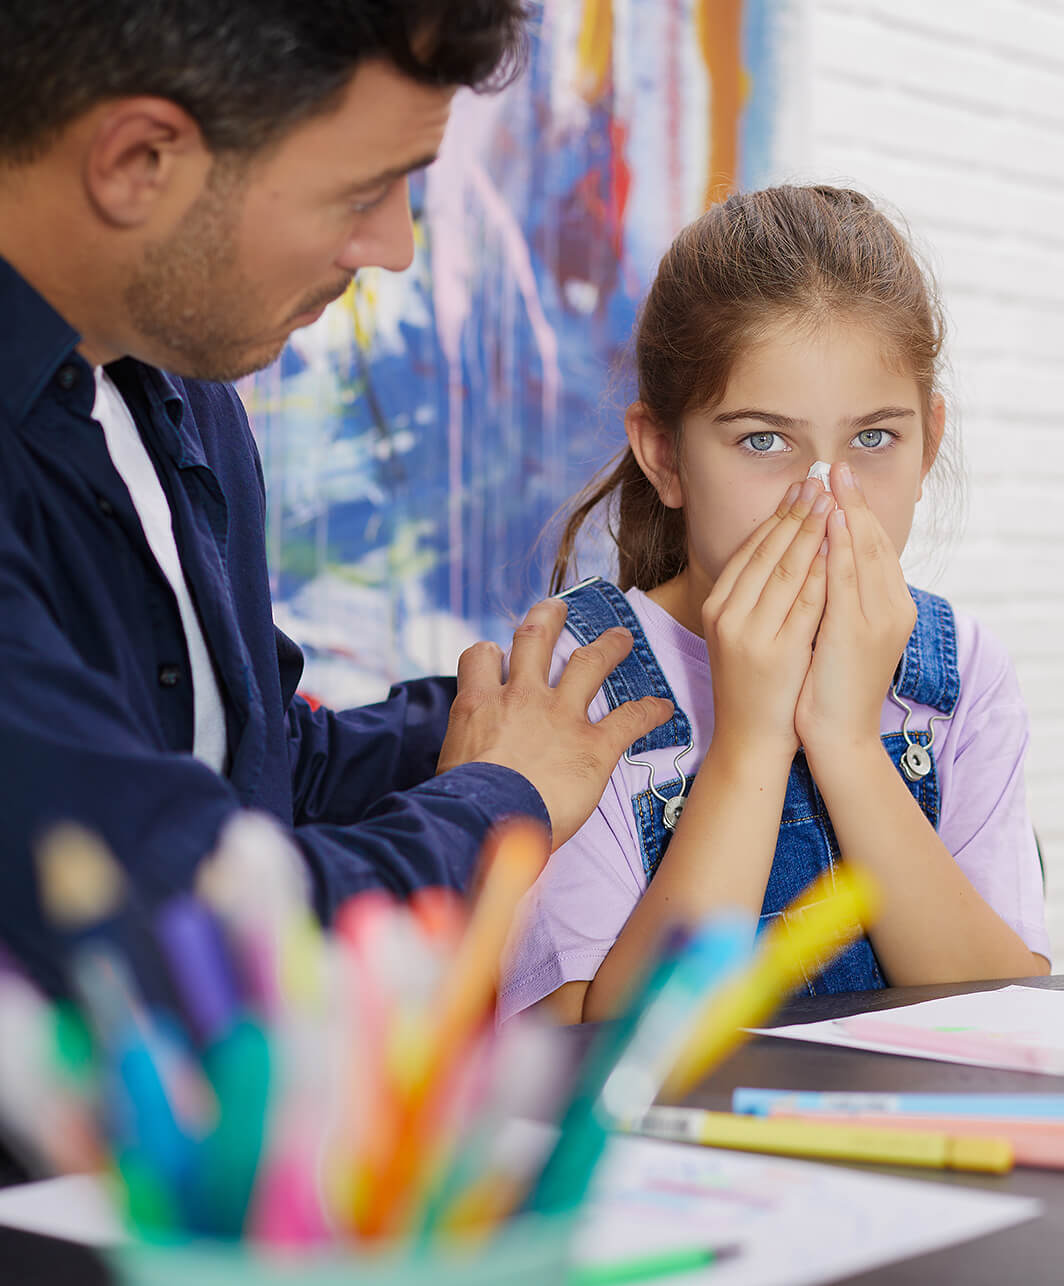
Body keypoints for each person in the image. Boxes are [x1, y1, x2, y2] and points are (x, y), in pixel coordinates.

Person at [0, 1, 671, 998]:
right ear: (139, 160)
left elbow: (252, 764)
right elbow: (193, 932)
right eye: (361, 192)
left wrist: (552, 698)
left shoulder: (185, 398)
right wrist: (507, 795)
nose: (392, 246)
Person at [499, 184, 1052, 1025]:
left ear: (928, 442)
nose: (828, 495)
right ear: (666, 456)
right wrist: (751, 743)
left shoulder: (962, 672)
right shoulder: (578, 686)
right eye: (764, 440)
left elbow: (1004, 1015)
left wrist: (847, 742)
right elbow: (586, 1053)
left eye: (874, 438)